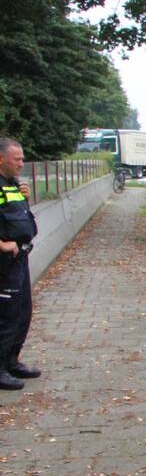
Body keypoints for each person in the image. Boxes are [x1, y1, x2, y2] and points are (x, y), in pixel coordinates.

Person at [0, 137, 40, 391]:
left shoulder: (13, 184)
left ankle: (12, 361)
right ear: (1, 159)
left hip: (20, 258)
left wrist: (25, 197)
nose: (22, 163)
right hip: (4, 262)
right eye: (18, 159)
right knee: (6, 315)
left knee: (22, 312)